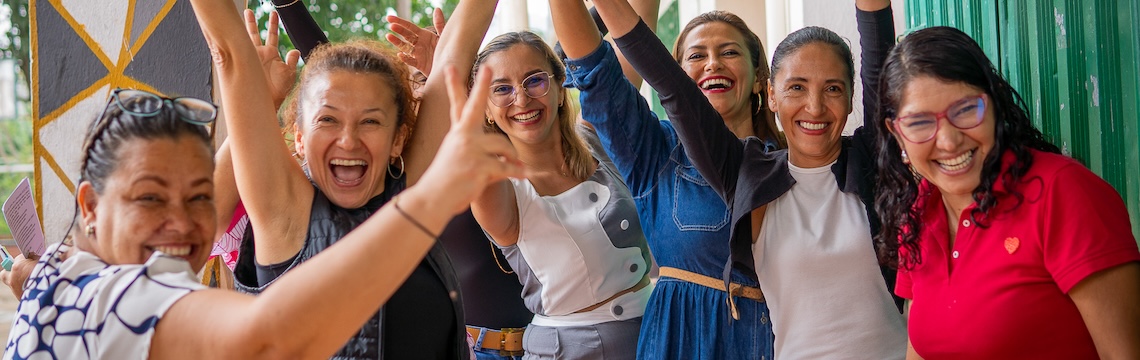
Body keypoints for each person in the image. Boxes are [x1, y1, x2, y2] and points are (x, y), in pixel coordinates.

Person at [3, 64, 523, 358]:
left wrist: (30, 270)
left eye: (201, 197)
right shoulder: (126, 297)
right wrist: (431, 199)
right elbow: (269, 337)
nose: (182, 223)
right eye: (150, 198)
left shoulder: (58, 273)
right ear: (90, 206)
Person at [590, 0, 907, 358]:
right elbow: (671, 85)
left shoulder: (870, 163)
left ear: (852, 98)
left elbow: (881, 55)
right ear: (771, 94)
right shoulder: (746, 174)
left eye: (833, 88)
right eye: (797, 88)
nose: (815, 107)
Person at [194, 0, 469, 357]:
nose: (349, 140)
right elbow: (228, 53)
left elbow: (456, 54)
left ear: (398, 138)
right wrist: (255, 94)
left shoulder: (410, 194)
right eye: (327, 120)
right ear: (300, 138)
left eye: (370, 121)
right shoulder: (284, 215)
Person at [872, 26, 1140, 360]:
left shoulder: (1062, 192)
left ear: (995, 104)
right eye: (920, 123)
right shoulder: (916, 214)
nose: (949, 141)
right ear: (896, 134)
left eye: (966, 109)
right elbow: (921, 351)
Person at [550, 2, 781, 358]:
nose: (712, 63)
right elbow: (595, 67)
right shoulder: (653, 151)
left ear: (759, 80)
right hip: (681, 344)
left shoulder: (788, 161)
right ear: (674, 77)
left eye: (729, 52)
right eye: (696, 55)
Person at [433, 1, 654, 358]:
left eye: (534, 80)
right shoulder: (500, 184)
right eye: (501, 89)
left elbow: (636, 34)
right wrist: (452, 68)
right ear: (484, 108)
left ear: (558, 83)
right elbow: (466, 139)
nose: (521, 98)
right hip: (570, 349)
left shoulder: (599, 138)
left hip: (656, 330)